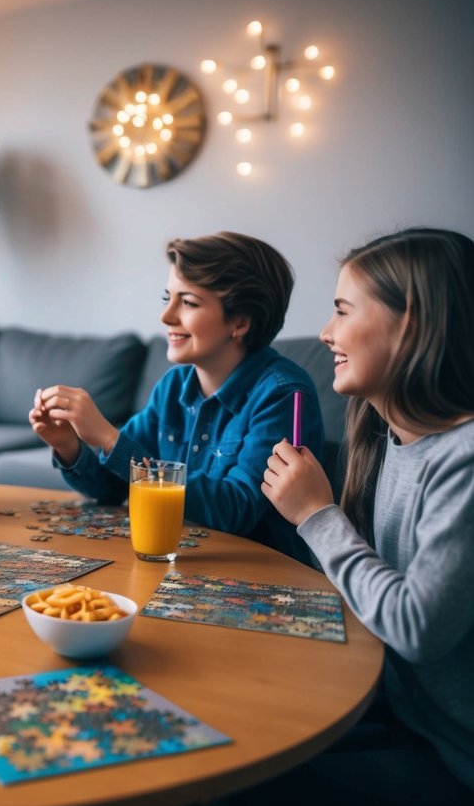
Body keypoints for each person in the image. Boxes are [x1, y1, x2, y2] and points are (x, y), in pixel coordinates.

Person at [259, 228, 474, 802]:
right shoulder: (377, 437)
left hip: (453, 757)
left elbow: (417, 629)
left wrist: (318, 515)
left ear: (412, 324)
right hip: (397, 716)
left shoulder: (465, 461)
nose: (325, 333)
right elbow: (346, 589)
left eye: (341, 310)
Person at [29, 232, 324, 563]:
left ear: (240, 322)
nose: (166, 317)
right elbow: (113, 488)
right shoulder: (174, 386)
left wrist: (111, 439)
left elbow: (236, 511)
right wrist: (67, 445)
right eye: (167, 298)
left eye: (188, 302)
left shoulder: (282, 395)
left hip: (263, 576)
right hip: (184, 565)